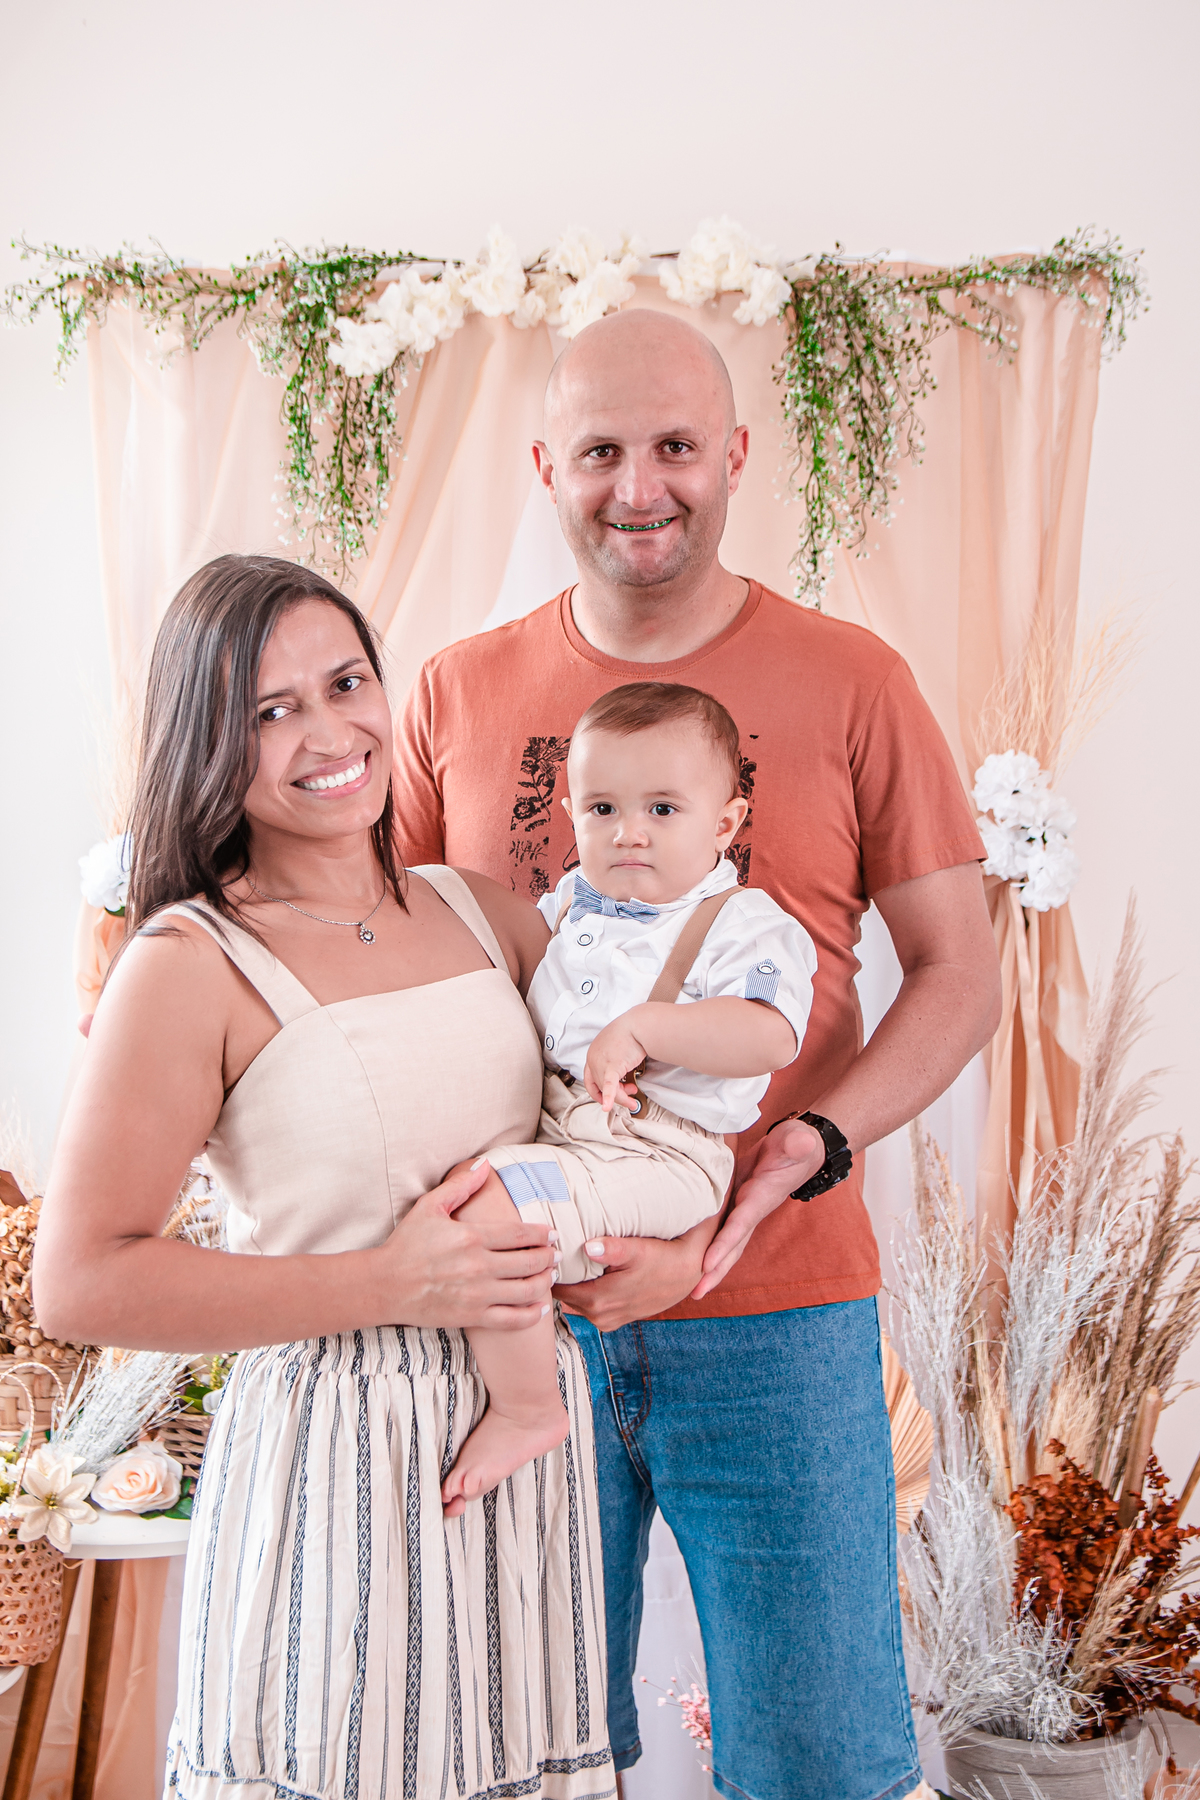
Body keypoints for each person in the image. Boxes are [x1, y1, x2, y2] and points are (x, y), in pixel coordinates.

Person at [392, 308, 1002, 1800]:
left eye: (675, 446)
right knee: (508, 1761)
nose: (640, 486)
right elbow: (385, 975)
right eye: (601, 450)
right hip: (512, 1322)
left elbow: (960, 977)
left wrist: (802, 1153)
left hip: (783, 1319)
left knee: (823, 1766)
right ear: (545, 466)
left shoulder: (854, 679)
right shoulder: (454, 693)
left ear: (734, 454)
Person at [33, 555, 615, 1800]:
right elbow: (78, 1281)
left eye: (347, 684)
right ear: (209, 743)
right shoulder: (189, 961)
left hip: (521, 1445)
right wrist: (389, 1281)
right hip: (336, 1458)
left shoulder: (485, 915)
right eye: (270, 709)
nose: (330, 733)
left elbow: (607, 1135)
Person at [441, 679, 816, 1516]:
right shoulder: (570, 905)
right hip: (564, 1134)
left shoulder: (742, 922)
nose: (629, 832)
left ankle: (528, 1408)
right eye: (602, 809)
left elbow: (768, 1035)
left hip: (659, 1150)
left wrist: (648, 1027)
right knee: (452, 1193)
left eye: (662, 810)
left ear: (724, 823)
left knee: (494, 1209)